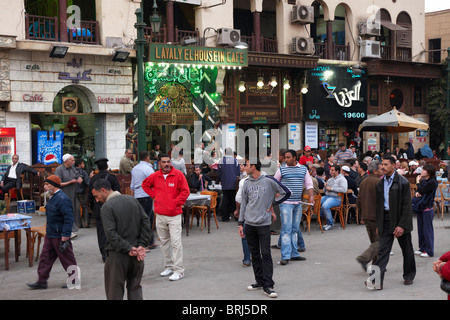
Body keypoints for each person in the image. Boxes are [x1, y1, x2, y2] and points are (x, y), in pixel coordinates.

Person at [238, 158, 291, 298]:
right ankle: (259, 281)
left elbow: (287, 192)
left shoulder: (268, 180)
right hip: (249, 224)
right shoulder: (246, 183)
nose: (244, 167)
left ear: (254, 167)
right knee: (255, 254)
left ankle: (269, 285)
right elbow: (244, 203)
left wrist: (272, 202)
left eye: (247, 165)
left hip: (263, 224)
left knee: (266, 254)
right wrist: (240, 223)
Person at [91, 179, 152, 300]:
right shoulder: (132, 200)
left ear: (103, 190)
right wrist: (141, 245)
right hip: (137, 255)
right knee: (135, 289)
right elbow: (146, 222)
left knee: (114, 292)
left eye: (96, 196)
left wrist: (129, 248)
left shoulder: (107, 207)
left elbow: (111, 234)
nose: (97, 200)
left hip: (117, 255)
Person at [365, 156, 416, 290]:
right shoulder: (380, 184)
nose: (383, 166)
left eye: (386, 164)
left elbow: (407, 206)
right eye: (382, 164)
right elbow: (379, 207)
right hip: (386, 220)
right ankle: (375, 281)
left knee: (407, 250)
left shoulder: (402, 183)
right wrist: (378, 224)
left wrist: (402, 225)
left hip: (400, 220)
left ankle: (409, 275)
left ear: (394, 166)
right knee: (382, 251)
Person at [142, 154, 190, 281]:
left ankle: (179, 270)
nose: (167, 164)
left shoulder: (178, 175)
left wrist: (175, 202)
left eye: (168, 161)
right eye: (164, 162)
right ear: (159, 163)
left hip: (174, 215)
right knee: (164, 243)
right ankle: (168, 266)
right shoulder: (155, 176)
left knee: (176, 243)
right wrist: (154, 196)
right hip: (160, 215)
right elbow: (145, 185)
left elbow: (185, 191)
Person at [27, 175, 78, 290]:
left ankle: (74, 281)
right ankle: (41, 282)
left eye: (47, 184)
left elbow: (69, 218)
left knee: (67, 259)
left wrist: (65, 235)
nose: (44, 186)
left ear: (54, 185)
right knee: (45, 258)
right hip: (51, 234)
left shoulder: (62, 199)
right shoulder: (53, 197)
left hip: (60, 235)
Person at [273, 149, 314, 264]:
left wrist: (311, 196)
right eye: (285, 157)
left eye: (288, 157)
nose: (286, 159)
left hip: (297, 203)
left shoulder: (303, 169)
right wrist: (277, 192)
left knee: (295, 229)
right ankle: (285, 256)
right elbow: (274, 182)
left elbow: (309, 183)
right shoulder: (281, 169)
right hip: (285, 203)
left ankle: (294, 253)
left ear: (295, 158)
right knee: (286, 229)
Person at [88, 158, 121, 263]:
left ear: (97, 167)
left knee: (101, 230)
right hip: (113, 206)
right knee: (114, 228)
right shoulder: (112, 178)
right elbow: (117, 193)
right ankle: (114, 252)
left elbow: (89, 196)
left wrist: (93, 207)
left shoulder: (93, 179)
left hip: (98, 207)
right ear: (107, 166)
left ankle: (104, 254)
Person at [356, 161, 382, 271]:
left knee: (374, 241)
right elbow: (381, 202)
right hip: (375, 216)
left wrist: (361, 215)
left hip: (366, 216)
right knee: (381, 242)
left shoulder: (364, 181)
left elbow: (359, 200)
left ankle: (377, 266)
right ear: (375, 171)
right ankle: (364, 258)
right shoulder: (379, 182)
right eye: (381, 168)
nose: (383, 170)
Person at [131, 150, 156, 249]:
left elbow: (132, 185)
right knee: (147, 220)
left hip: (137, 196)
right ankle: (146, 242)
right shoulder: (148, 169)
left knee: (142, 219)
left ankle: (149, 240)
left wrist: (133, 197)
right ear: (147, 157)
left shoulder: (135, 169)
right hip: (146, 196)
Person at [54, 153, 82, 239]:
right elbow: (58, 183)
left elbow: (78, 175)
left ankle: (71, 230)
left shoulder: (72, 169)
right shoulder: (59, 169)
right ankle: (66, 232)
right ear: (66, 161)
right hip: (63, 195)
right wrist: (70, 182)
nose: (74, 162)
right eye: (72, 160)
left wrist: (80, 178)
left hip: (72, 194)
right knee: (65, 212)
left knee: (72, 211)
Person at [414, 164, 438, 258]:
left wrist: (417, 182)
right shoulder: (424, 181)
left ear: (428, 172)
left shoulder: (432, 182)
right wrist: (417, 192)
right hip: (421, 207)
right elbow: (420, 191)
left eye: (424, 169)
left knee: (427, 230)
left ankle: (429, 250)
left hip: (427, 208)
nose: (422, 170)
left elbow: (422, 190)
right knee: (421, 230)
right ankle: (422, 248)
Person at [320, 165, 348, 231]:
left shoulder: (342, 179)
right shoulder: (330, 179)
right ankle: (327, 219)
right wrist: (325, 186)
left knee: (325, 206)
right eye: (330, 170)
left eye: (332, 170)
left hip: (336, 198)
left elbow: (344, 190)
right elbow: (324, 191)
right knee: (316, 203)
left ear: (337, 171)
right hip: (327, 196)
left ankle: (330, 223)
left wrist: (332, 188)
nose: (330, 172)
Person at [218, 147, 240, 222]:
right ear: (231, 153)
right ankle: (236, 216)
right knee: (234, 199)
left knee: (225, 199)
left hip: (225, 183)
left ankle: (225, 217)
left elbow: (219, 172)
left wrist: (222, 179)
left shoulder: (221, 161)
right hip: (234, 183)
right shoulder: (235, 161)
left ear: (225, 153)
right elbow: (238, 172)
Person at [74, 159, 90, 228]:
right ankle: (86, 222)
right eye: (83, 164)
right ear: (80, 164)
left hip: (74, 192)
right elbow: (88, 182)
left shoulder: (73, 172)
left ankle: (78, 224)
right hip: (82, 192)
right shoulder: (83, 172)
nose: (84, 165)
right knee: (85, 207)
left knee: (77, 208)